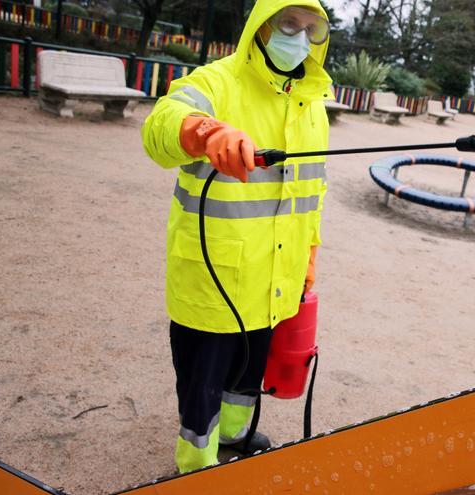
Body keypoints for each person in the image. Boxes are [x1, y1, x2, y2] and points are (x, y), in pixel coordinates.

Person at [140, 0, 332, 474]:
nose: (299, 37)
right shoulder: (216, 81)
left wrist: (308, 257)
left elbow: (312, 195)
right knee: (203, 381)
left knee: (248, 371)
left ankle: (235, 436)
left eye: (311, 29)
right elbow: (160, 124)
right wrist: (203, 131)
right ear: (260, 29)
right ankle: (198, 464)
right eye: (289, 24)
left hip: (273, 275)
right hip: (213, 273)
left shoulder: (312, 108)